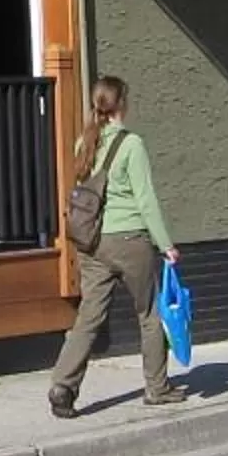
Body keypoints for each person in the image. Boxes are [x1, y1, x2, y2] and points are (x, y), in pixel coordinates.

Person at [46, 74, 182, 417]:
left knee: (89, 317)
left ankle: (63, 386)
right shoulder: (131, 144)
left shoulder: (85, 142)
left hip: (91, 243)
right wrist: (166, 244)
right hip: (129, 240)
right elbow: (146, 199)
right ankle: (157, 387)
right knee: (150, 314)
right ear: (121, 104)